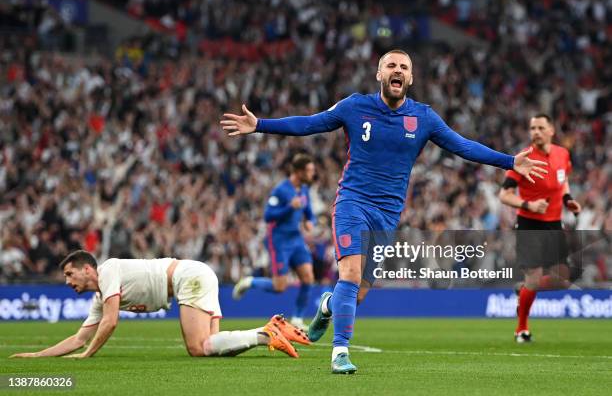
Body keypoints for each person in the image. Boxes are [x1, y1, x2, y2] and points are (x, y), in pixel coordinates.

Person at [220, 49, 547, 374]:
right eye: (391, 65)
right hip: (353, 202)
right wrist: (260, 124)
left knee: (358, 294)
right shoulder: (354, 106)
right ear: (379, 74)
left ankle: (327, 305)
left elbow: (464, 146)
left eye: (404, 66)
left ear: (411, 78)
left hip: (387, 215)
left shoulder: (423, 118)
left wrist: (510, 161)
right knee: (348, 275)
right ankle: (340, 352)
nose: (398, 70)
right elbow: (310, 123)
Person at [10, 250, 310, 359]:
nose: (66, 281)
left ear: (87, 269)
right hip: (196, 274)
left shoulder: (108, 269)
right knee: (214, 348)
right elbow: (79, 337)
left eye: (69, 273)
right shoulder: (101, 297)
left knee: (197, 348)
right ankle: (273, 331)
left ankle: (267, 332)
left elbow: (111, 322)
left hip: (187, 277)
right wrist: (37, 355)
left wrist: (87, 355)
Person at [499, 114, 581, 343]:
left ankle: (523, 289)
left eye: (540, 127)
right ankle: (521, 329)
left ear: (551, 130)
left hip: (554, 223)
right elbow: (503, 195)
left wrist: (568, 200)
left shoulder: (562, 154)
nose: (535, 131)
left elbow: (563, 180)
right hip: (529, 223)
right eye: (532, 127)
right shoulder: (523, 159)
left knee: (562, 280)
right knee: (534, 279)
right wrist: (529, 205)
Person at [233, 154, 316, 330]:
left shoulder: (304, 190)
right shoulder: (281, 190)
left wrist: (310, 222)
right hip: (279, 240)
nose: (312, 174)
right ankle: (250, 282)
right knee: (280, 287)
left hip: (296, 238)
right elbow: (268, 215)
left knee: (308, 277)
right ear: (299, 171)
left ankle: (298, 319)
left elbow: (309, 213)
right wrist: (289, 207)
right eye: (309, 171)